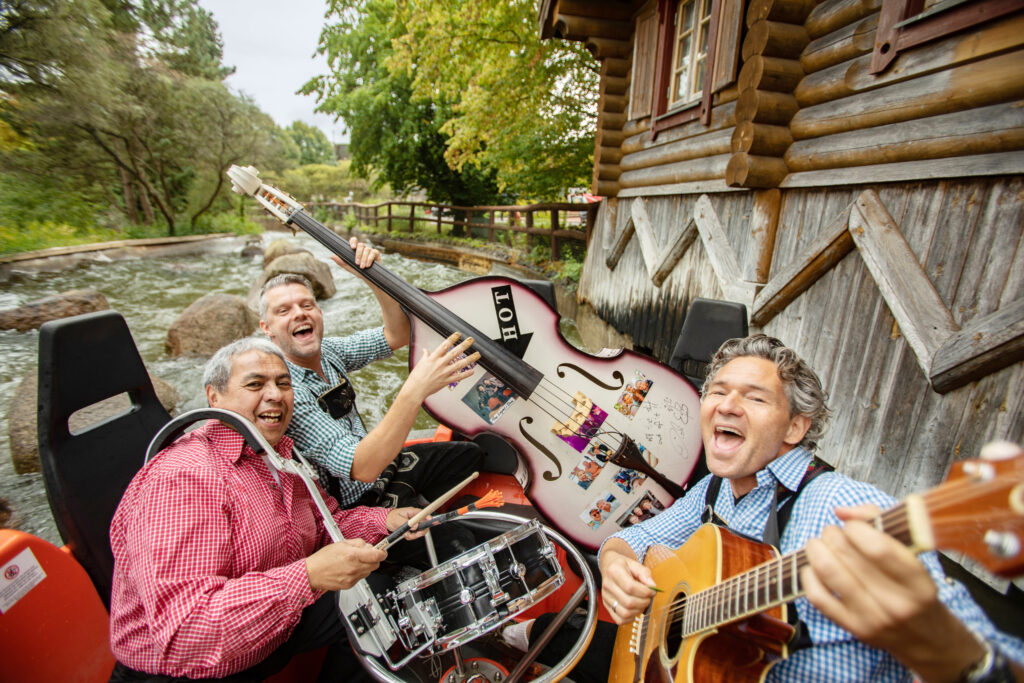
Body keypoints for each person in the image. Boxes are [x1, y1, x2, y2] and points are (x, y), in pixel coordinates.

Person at [598, 334, 1024, 682]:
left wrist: (946, 645)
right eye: (718, 392)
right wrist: (615, 563)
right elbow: (631, 541)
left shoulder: (847, 507)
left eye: (756, 398)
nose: (726, 405)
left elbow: (996, 660)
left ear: (796, 427)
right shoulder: (714, 489)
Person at [108, 338, 425, 681]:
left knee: (378, 594)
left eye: (283, 383)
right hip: (192, 672)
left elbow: (326, 527)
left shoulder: (281, 455)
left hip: (272, 635)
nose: (275, 394)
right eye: (256, 384)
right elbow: (187, 633)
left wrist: (386, 520)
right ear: (214, 397)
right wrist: (307, 576)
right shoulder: (184, 478)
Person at [257, 238, 484, 516]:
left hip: (386, 471)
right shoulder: (285, 390)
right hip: (353, 508)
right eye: (284, 310)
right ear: (266, 328)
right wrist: (416, 390)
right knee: (459, 540)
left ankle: (419, 507)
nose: (299, 314)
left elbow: (396, 335)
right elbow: (362, 467)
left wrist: (372, 276)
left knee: (471, 456)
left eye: (307, 305)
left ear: (319, 311)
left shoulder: (329, 352)